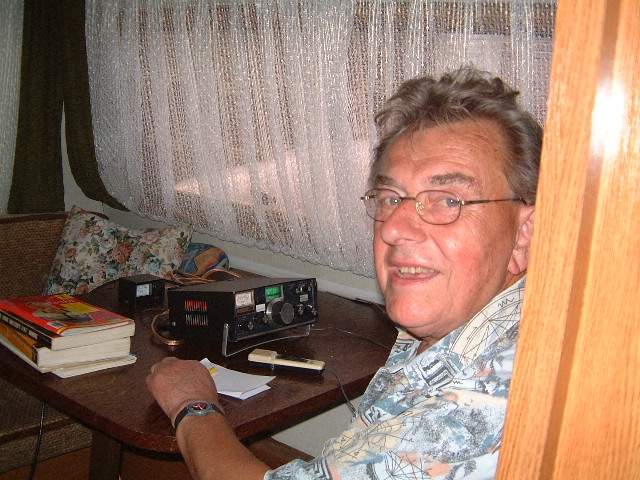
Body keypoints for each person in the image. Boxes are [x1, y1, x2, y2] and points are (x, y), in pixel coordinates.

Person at [147, 66, 541, 480]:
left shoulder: (475, 411)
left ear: (523, 235)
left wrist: (193, 405)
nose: (393, 228)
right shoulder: (462, 325)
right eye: (390, 197)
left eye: (447, 200)